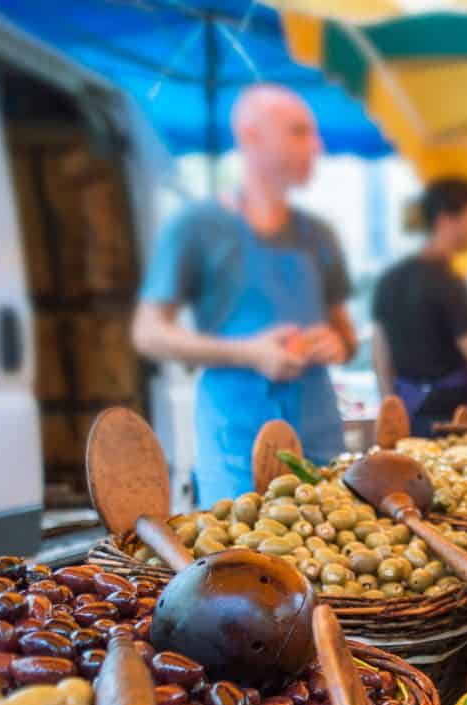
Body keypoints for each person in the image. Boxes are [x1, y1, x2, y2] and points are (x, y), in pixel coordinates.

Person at [133, 84, 354, 503]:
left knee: (331, 551)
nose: (317, 145)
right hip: (235, 440)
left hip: (320, 435)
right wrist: (250, 352)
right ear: (252, 137)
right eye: (299, 132)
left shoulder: (319, 235)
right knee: (238, 558)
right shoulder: (196, 227)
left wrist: (335, 343)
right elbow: (149, 333)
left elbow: (347, 337)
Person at [370, 177, 467, 436]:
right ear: (446, 219)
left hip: (409, 417)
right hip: (451, 424)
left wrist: (392, 415)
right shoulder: (449, 284)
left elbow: (380, 356)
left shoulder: (389, 280)